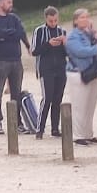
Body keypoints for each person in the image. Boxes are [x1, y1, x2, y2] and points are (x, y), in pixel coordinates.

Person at [0, 0, 31, 135]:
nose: (11, 5)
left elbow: (21, 33)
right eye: (8, 2)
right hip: (0, 60)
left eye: (11, 2)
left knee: (16, 92)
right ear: (0, 2)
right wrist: (10, 34)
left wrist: (27, 45)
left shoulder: (14, 18)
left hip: (16, 59)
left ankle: (17, 123)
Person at [63, 9, 97, 146]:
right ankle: (78, 134)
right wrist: (96, 48)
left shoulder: (88, 34)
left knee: (90, 105)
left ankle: (88, 133)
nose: (86, 19)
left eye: (87, 17)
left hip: (91, 71)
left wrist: (94, 33)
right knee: (79, 105)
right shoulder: (72, 36)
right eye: (82, 17)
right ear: (76, 20)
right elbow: (80, 52)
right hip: (78, 72)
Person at [30, 7, 68, 140]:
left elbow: (68, 53)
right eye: (51, 21)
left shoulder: (62, 31)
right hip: (46, 69)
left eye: (55, 20)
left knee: (58, 99)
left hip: (61, 68)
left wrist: (65, 44)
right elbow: (34, 51)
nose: (53, 23)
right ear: (46, 19)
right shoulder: (39, 31)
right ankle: (39, 129)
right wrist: (48, 44)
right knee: (47, 99)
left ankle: (55, 129)